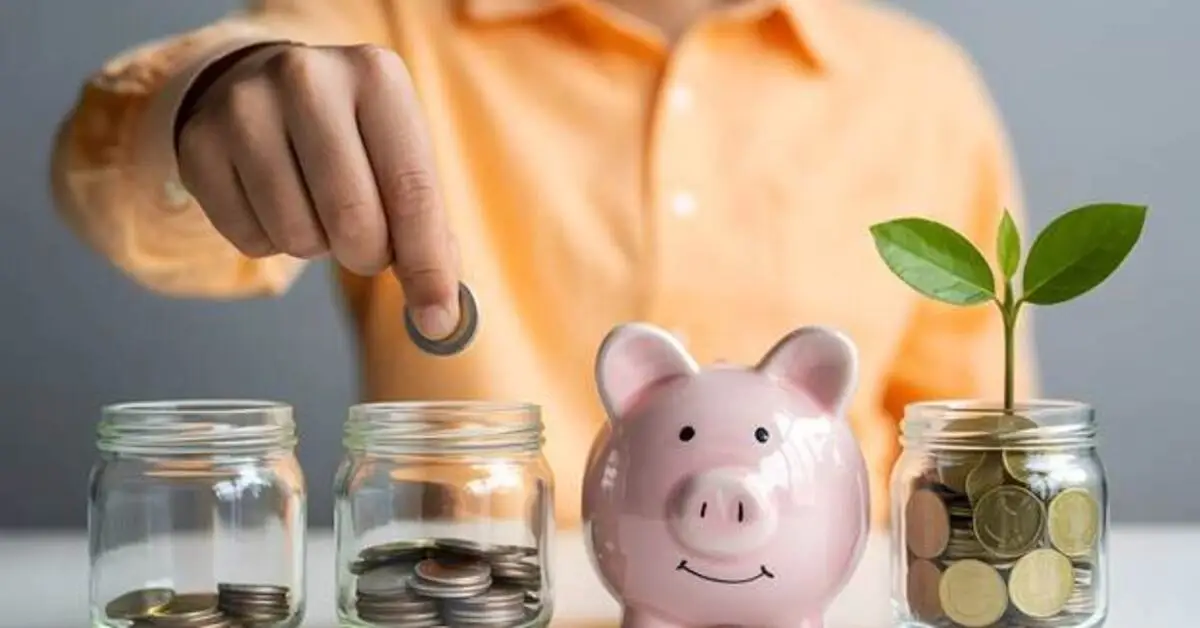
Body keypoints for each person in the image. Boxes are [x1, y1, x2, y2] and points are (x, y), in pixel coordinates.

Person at [50, 0, 1036, 529]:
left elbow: (968, 436)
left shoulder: (920, 87)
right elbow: (123, 199)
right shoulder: (387, 24)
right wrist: (208, 94)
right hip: (472, 586)